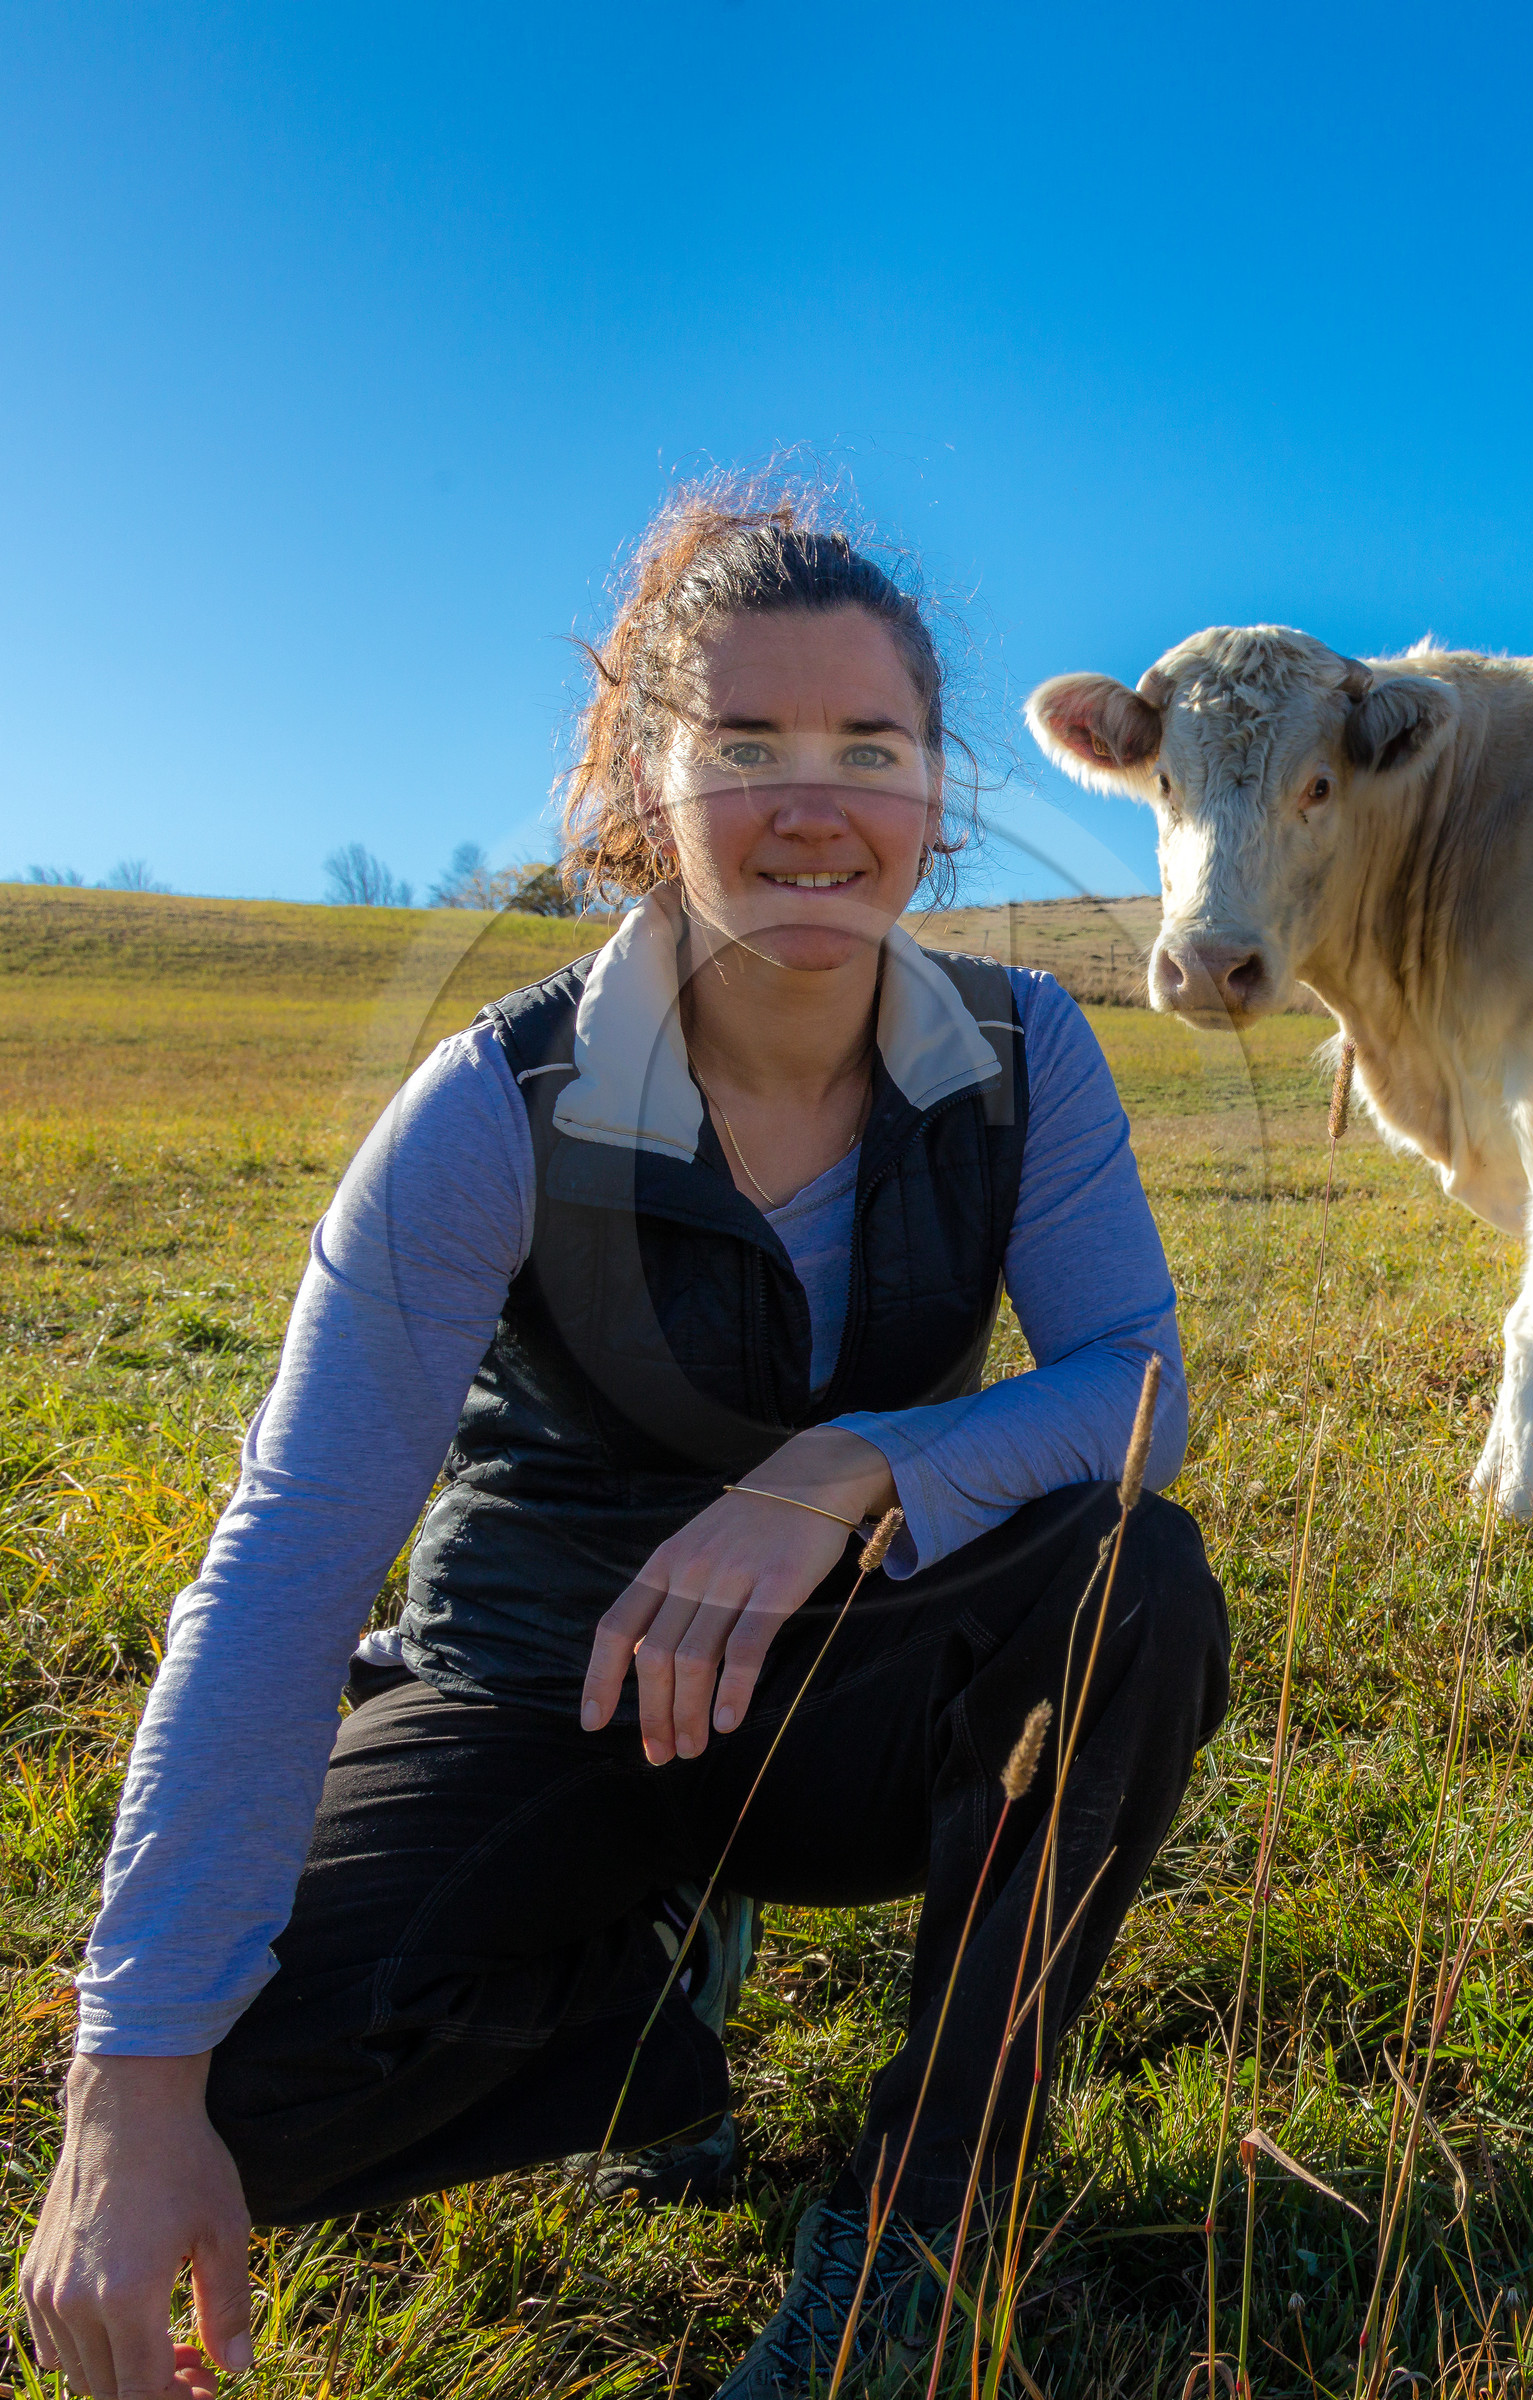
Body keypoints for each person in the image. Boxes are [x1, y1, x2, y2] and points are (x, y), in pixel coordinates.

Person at [23, 482, 1229, 2400]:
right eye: (744, 745)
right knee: (225, 2087)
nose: (812, 802)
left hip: (837, 1695)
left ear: (939, 792)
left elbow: (1139, 1389)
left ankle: (920, 2224)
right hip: (540, 1693)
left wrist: (846, 1471)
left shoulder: (1022, 1057)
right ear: (643, 788)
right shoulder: (491, 1105)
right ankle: (660, 1979)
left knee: (1130, 1584)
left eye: (872, 748)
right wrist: (126, 2080)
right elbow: (277, 1562)